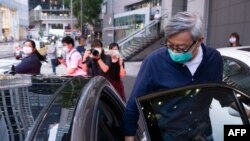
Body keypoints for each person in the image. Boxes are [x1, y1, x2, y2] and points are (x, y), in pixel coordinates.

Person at [123, 12, 250, 141]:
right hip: (165, 136)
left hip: (202, 135)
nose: (174, 51)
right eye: (170, 45)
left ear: (199, 41)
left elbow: (219, 90)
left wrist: (246, 111)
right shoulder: (154, 62)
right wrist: (129, 136)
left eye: (181, 48)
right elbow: (134, 104)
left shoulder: (213, 59)